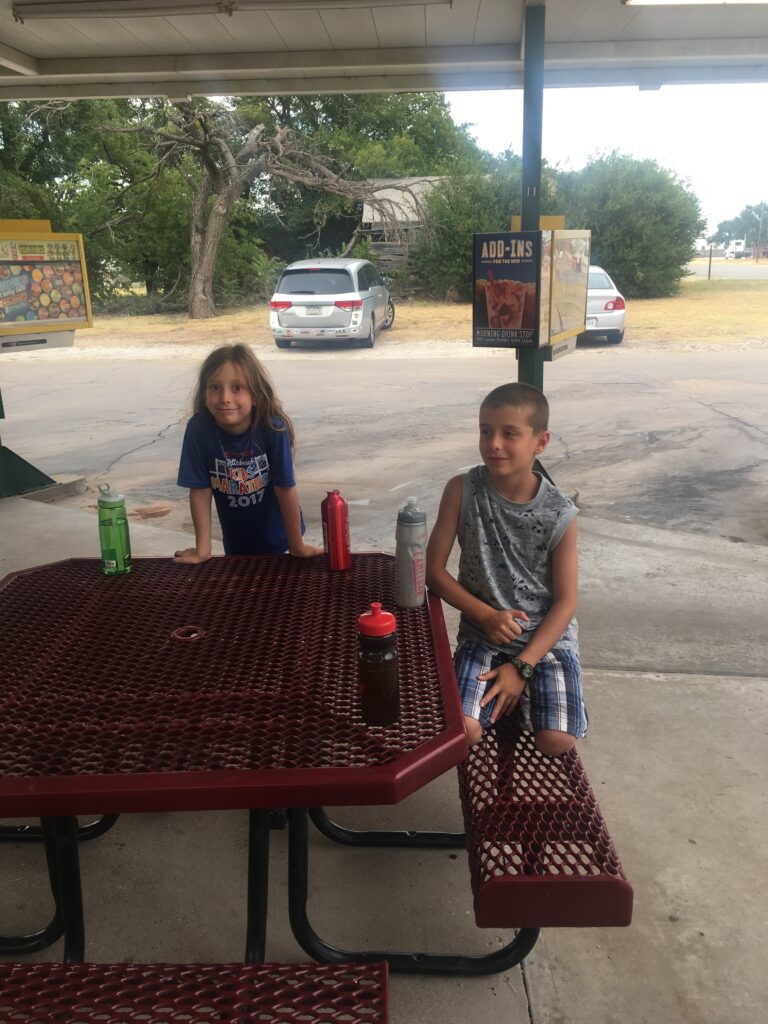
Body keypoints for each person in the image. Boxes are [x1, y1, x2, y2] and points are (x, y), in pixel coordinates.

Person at [426, 382, 587, 756]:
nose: (493, 444)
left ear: (540, 442)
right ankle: (516, 695)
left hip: (544, 641)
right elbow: (434, 572)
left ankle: (536, 689)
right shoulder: (461, 490)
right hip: (483, 635)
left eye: (509, 433)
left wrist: (523, 666)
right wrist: (484, 614)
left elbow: (565, 602)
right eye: (486, 431)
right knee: (463, 732)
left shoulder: (560, 512)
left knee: (556, 741)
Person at [174, 343, 322, 563]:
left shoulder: (273, 428)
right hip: (236, 545)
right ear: (205, 394)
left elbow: (285, 488)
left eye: (237, 388)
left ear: (255, 396)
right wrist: (202, 550)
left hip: (282, 542)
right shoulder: (199, 430)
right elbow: (200, 490)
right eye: (215, 387)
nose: (225, 397)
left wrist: (296, 547)